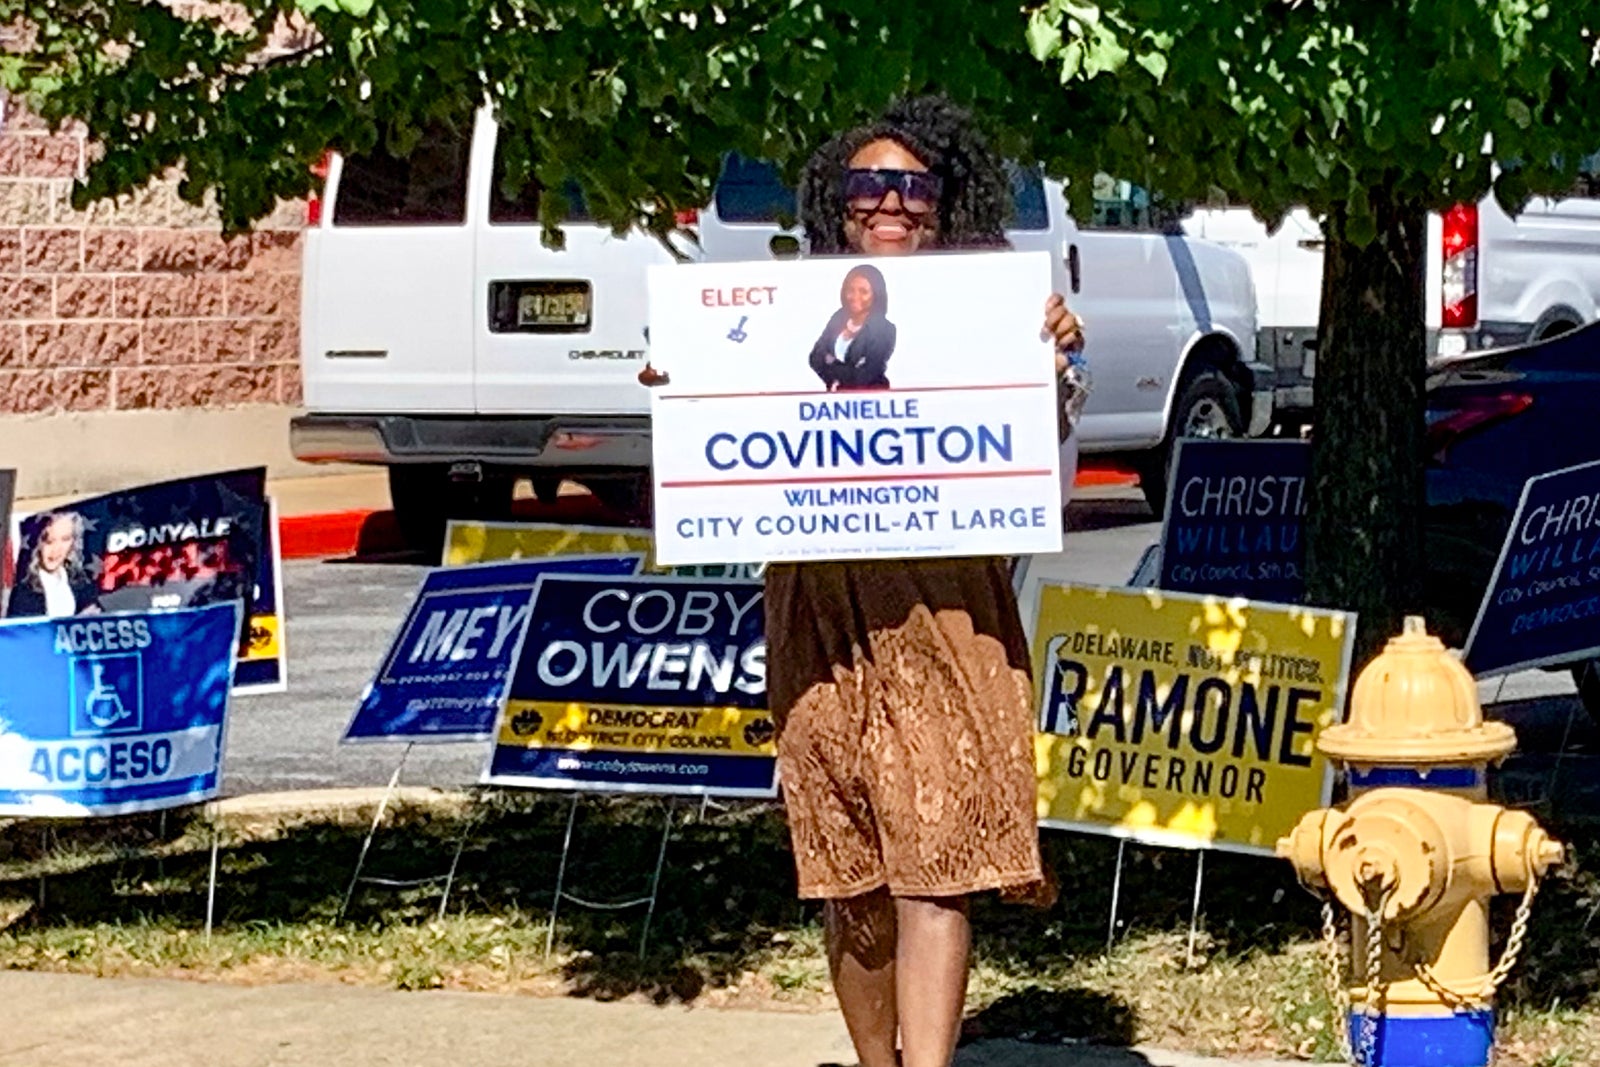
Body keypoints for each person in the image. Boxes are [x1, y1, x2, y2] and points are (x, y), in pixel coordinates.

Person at [642, 95, 1084, 1067]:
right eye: (867, 184)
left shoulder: (997, 308)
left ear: (944, 199)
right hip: (820, 608)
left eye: (912, 185)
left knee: (938, 864)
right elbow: (727, 443)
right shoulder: (774, 311)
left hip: (945, 604)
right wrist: (680, 391)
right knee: (852, 875)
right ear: (833, 202)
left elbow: (1040, 460)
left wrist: (1055, 360)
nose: (890, 201)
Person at [809, 264, 897, 389]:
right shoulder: (838, 317)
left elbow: (866, 375)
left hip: (871, 398)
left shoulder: (884, 330)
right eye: (850, 290)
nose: (855, 297)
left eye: (863, 292)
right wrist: (841, 374)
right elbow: (815, 358)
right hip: (836, 398)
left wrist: (831, 361)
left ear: (876, 295)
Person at [7, 511, 101, 619]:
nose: (56, 550)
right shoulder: (23, 589)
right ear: (38, 543)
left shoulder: (79, 580)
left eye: (65, 539)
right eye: (49, 541)